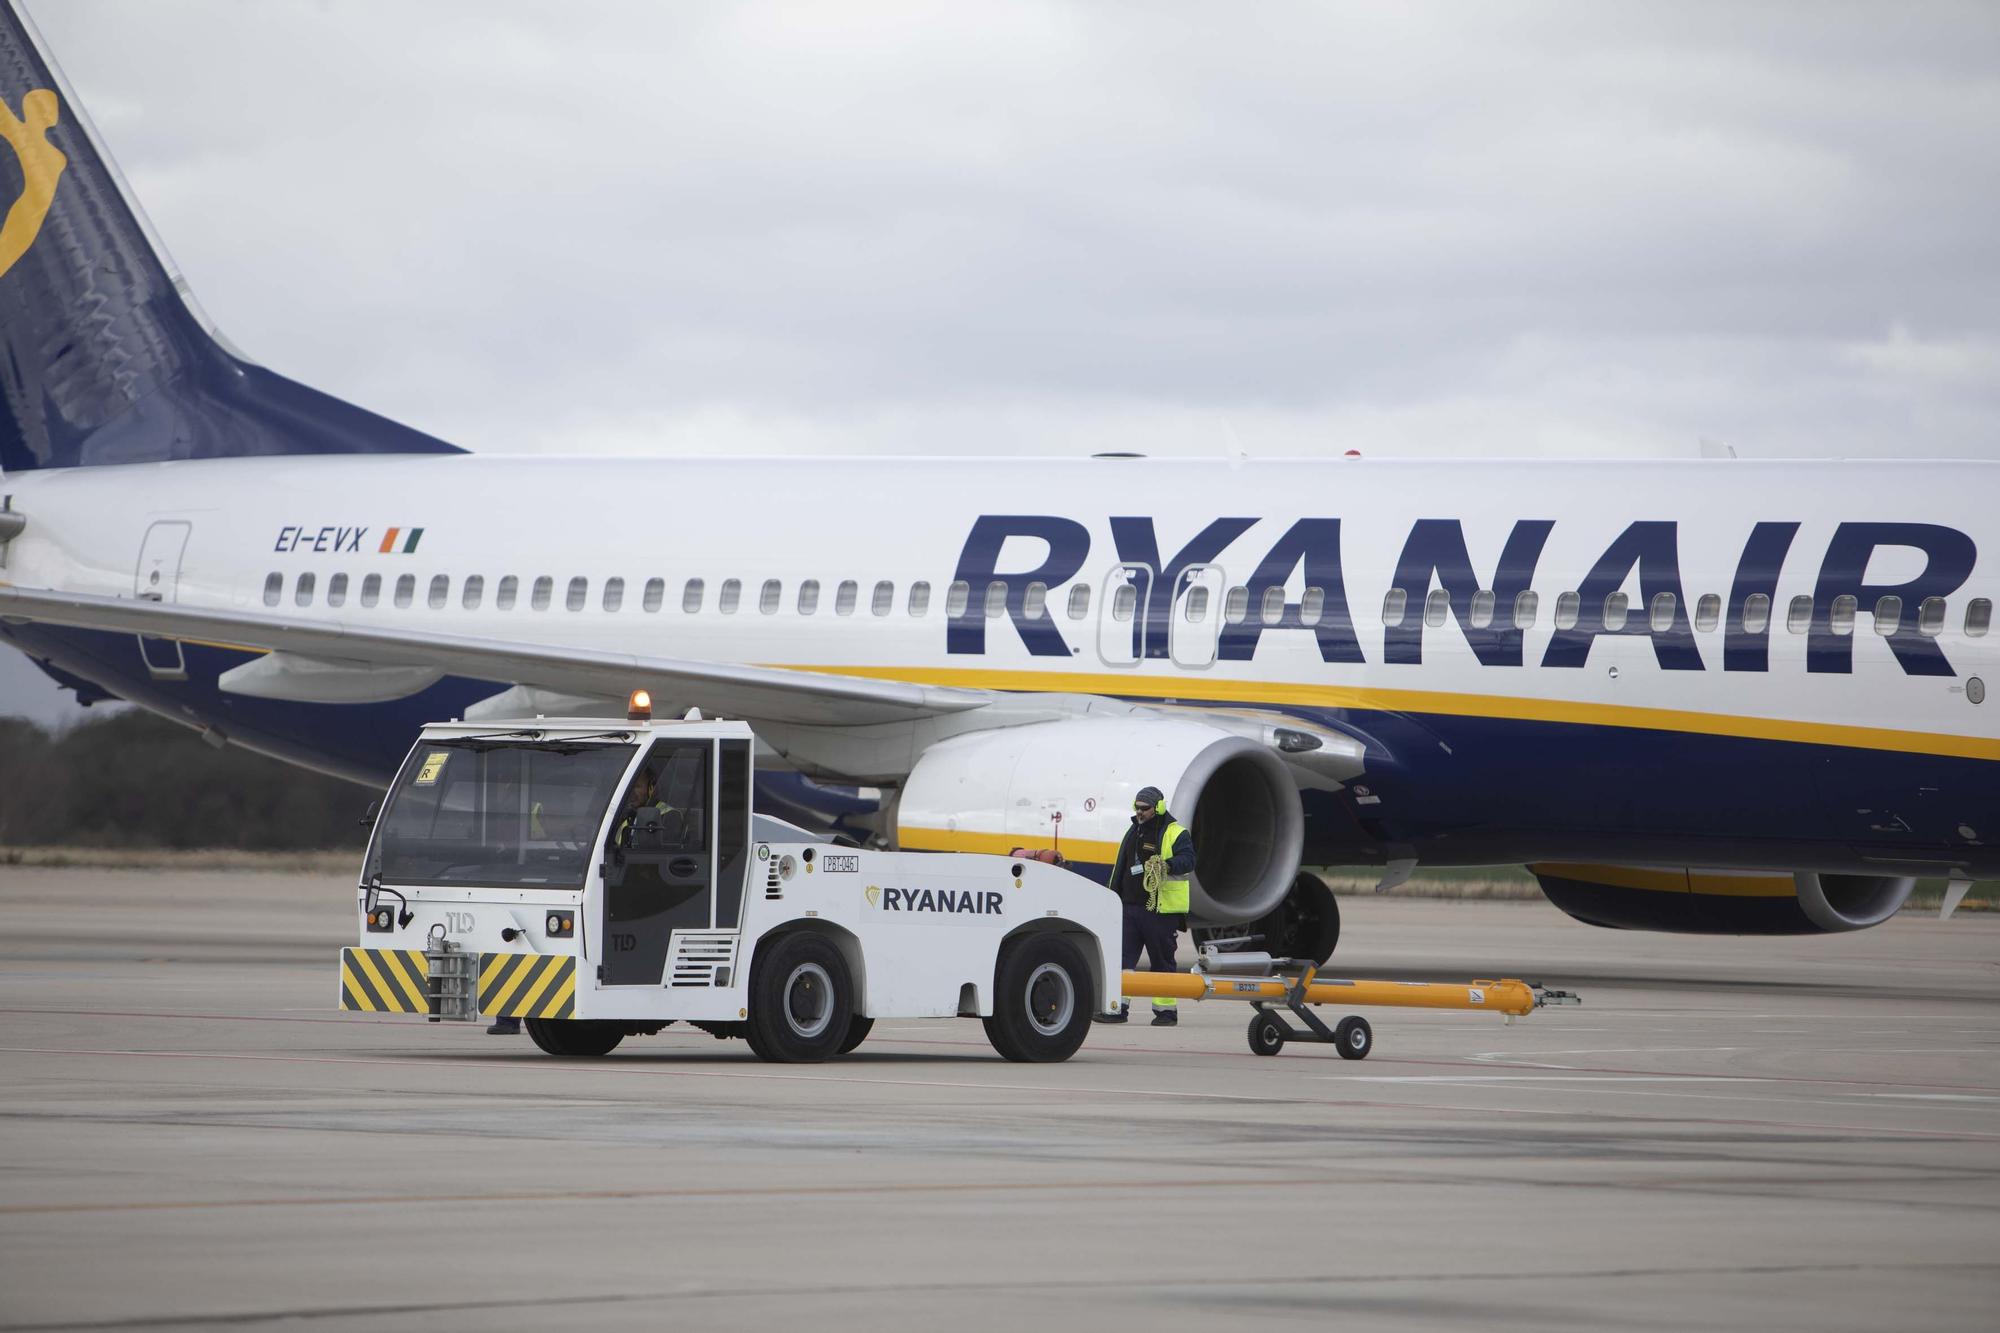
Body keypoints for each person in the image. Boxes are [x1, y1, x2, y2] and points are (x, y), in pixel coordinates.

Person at [1093, 785, 1195, 1026]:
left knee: (1162, 961)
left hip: (1159, 911)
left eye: (1145, 809)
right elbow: (1120, 867)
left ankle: (1166, 1012)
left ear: (1158, 807)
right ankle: (1117, 1008)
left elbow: (1188, 860)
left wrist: (1167, 865)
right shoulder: (1133, 831)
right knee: (1122, 960)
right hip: (1130, 908)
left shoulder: (1175, 832)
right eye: (1137, 808)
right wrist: (1111, 899)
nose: (1140, 812)